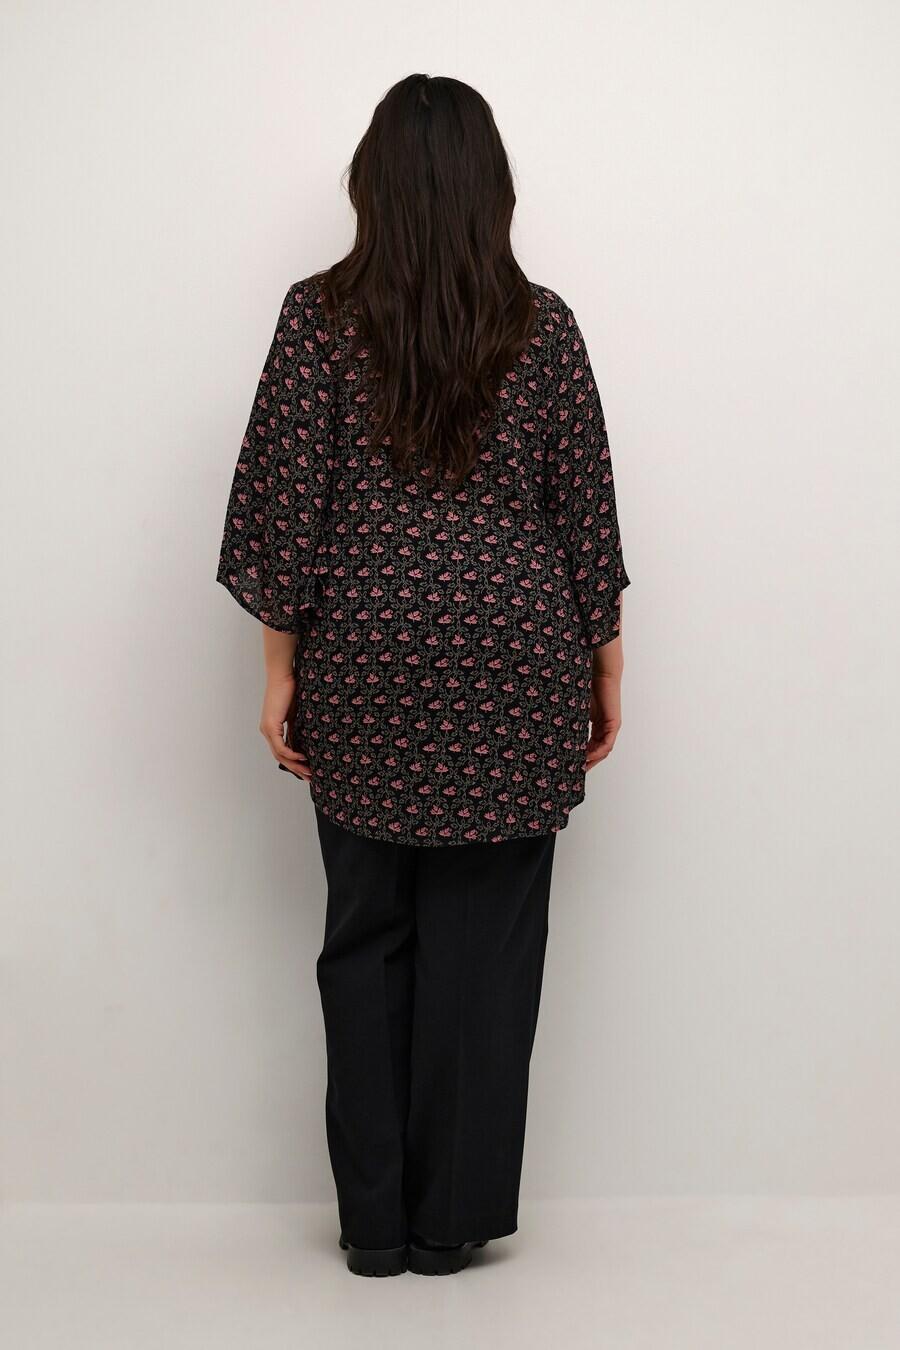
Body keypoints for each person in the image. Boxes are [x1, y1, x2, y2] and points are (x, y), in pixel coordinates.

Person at [216, 73, 630, 1278]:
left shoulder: (317, 318)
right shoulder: (542, 325)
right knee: (484, 954)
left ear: (373, 185)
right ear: (492, 189)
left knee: (365, 940)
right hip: (515, 663)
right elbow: (583, 516)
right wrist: (604, 665)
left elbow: (285, 508)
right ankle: (452, 1226)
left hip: (364, 661)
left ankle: (375, 1228)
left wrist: (278, 672)